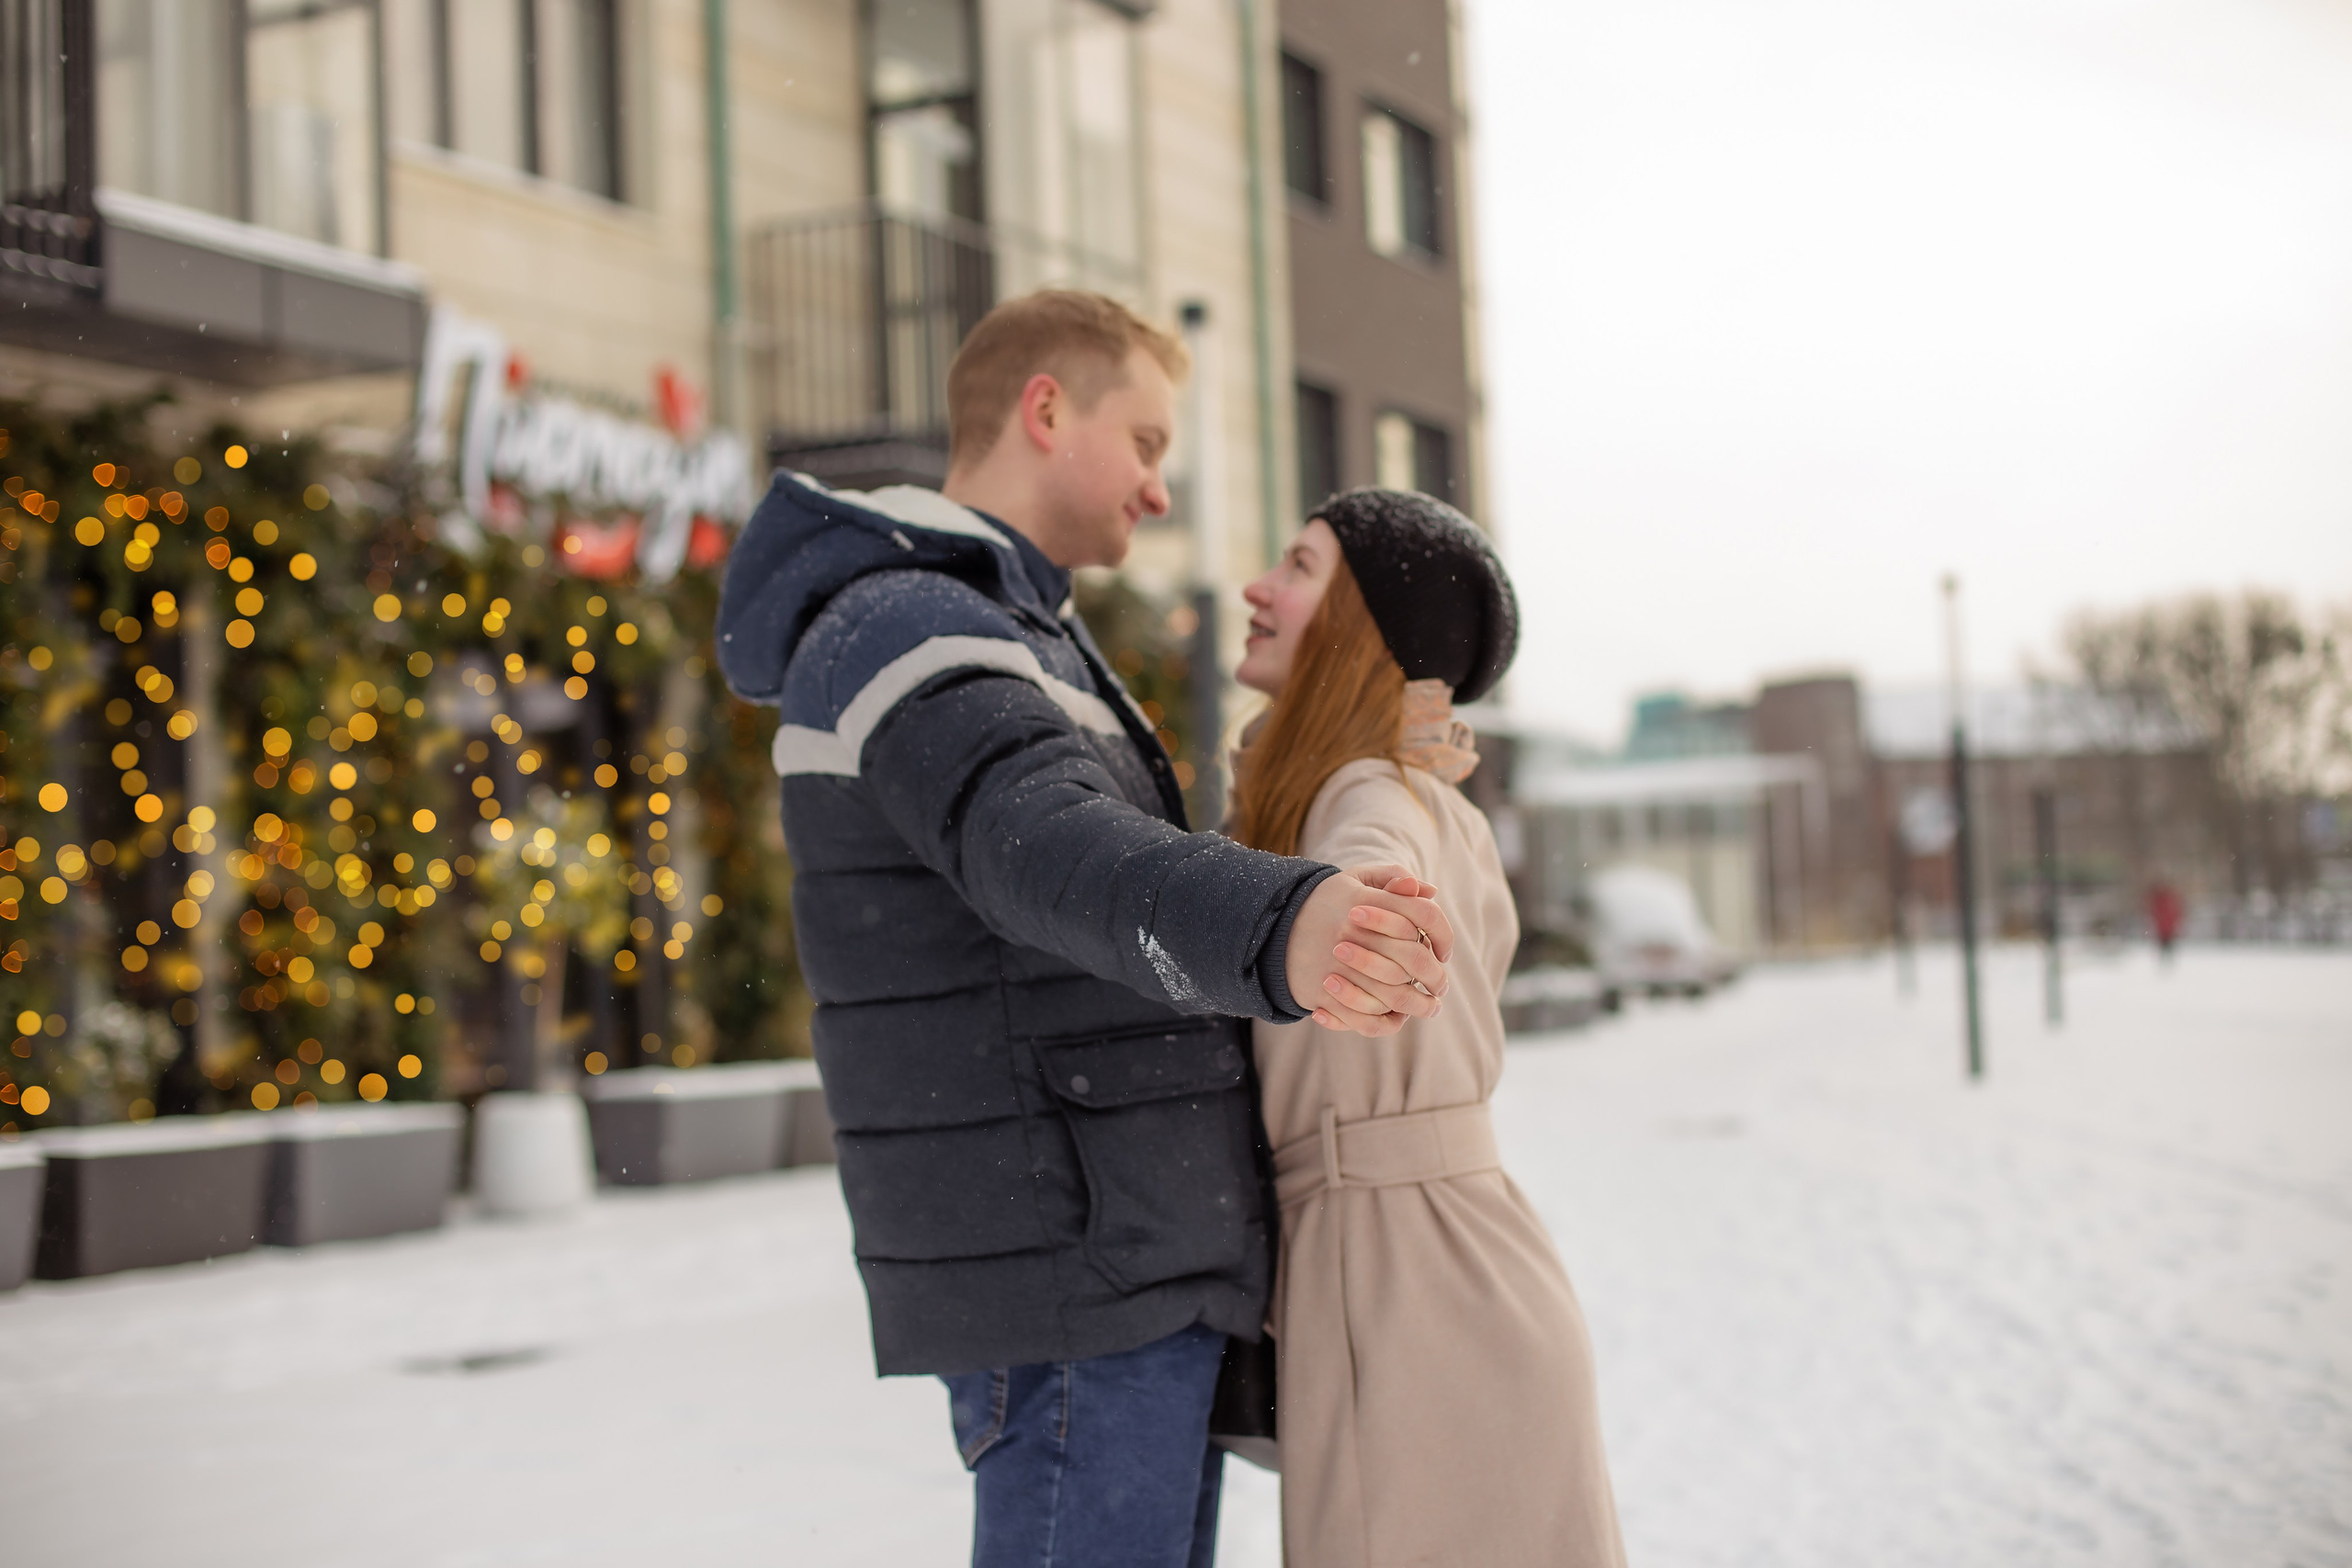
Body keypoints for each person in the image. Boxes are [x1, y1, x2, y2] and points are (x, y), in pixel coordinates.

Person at [715, 291, 1458, 1568]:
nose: (1160, 491)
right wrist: (1282, 923)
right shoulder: (910, 620)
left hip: (1116, 1256)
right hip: (1076, 1269)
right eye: (1149, 442)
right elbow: (1042, 848)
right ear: (1047, 410)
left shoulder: (1019, 629)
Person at [1228, 489, 1627, 1568]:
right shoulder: (1392, 788)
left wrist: (1351, 914)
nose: (1258, 588)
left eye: (1298, 567)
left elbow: (1373, 865)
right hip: (1440, 1265)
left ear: (1364, 625)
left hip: (1405, 1281)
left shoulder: (1366, 791)